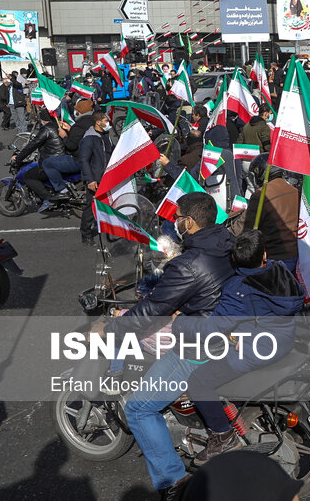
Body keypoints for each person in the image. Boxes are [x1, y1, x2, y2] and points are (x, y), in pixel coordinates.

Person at [112, 193, 235, 498]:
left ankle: (174, 484)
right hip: (230, 330)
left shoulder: (187, 264)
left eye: (178, 217)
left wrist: (115, 327)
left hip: (199, 345)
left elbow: (152, 310)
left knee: (139, 409)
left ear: (189, 222)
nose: (175, 222)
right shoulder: (227, 241)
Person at [174, 230, 305, 465]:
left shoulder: (239, 289)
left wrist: (180, 320)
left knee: (198, 382)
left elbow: (212, 328)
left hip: (256, 350)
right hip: (284, 340)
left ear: (233, 260)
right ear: (264, 254)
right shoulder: (280, 269)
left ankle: (223, 436)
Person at [243, 155, 300, 266]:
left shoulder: (261, 194)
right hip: (296, 253)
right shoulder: (294, 190)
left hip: (275, 257)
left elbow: (248, 228)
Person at [10, 109, 66, 212]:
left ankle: (48, 199)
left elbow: (32, 145)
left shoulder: (46, 130)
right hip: (63, 159)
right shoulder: (59, 126)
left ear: (43, 119)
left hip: (52, 162)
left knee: (29, 176)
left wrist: (18, 158)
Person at [78, 112, 113, 244]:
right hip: (96, 178)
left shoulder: (105, 135)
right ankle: (86, 234)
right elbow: (84, 160)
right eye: (106, 120)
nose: (108, 123)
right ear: (98, 122)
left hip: (106, 176)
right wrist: (90, 179)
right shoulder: (89, 139)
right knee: (90, 207)